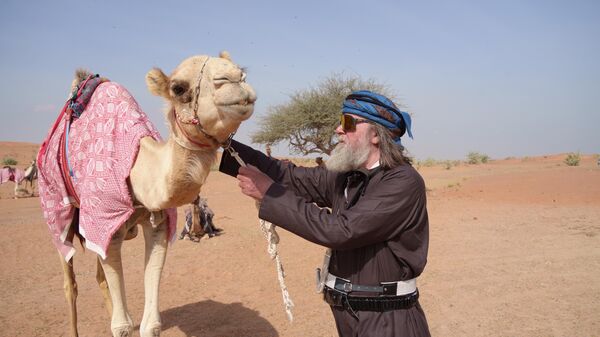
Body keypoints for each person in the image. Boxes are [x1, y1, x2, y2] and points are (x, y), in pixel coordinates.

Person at [219, 90, 430, 337]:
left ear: (375, 134)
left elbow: (340, 230)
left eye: (348, 122)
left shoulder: (402, 181)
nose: (338, 130)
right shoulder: (347, 177)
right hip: (348, 315)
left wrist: (269, 194)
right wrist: (221, 141)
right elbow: (290, 177)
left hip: (388, 320)